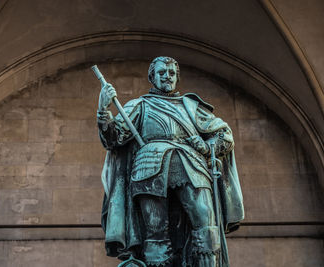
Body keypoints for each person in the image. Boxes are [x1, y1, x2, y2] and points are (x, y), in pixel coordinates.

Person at [97, 56, 244, 267]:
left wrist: (206, 147)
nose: (167, 76)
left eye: (172, 73)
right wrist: (103, 111)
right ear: (152, 77)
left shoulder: (191, 107)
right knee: (156, 232)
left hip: (191, 165)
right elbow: (114, 137)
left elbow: (224, 135)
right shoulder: (139, 105)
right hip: (149, 166)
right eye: (162, 72)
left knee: (206, 223)